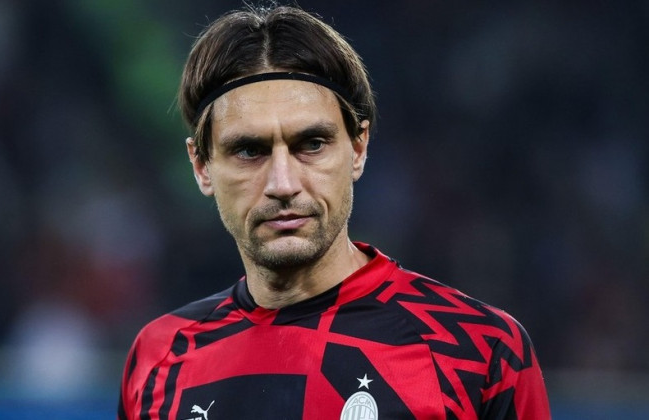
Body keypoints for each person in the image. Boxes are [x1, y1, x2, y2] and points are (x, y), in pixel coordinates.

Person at [118, 4, 551, 419]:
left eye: (312, 144)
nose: (283, 184)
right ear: (202, 166)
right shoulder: (159, 357)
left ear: (358, 148)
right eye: (249, 150)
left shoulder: (480, 352)